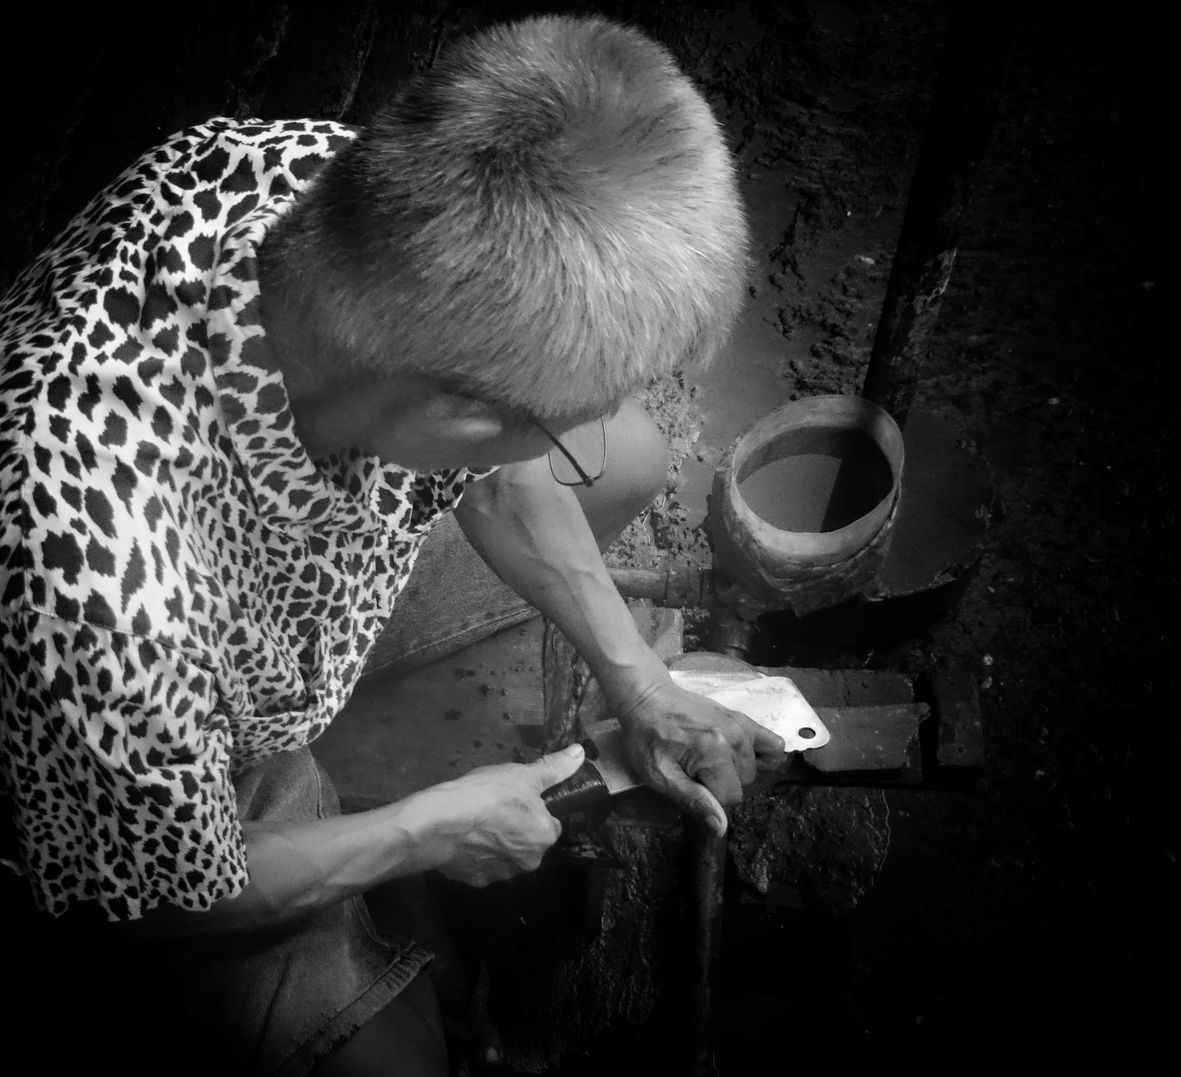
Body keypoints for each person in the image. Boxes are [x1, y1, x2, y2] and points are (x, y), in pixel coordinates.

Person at [0, 13, 783, 1075]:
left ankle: (354, 743)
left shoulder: (334, 189)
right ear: (451, 414)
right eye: (544, 417)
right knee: (395, 1062)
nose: (560, 441)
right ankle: (342, 811)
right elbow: (147, 903)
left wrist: (633, 676)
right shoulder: (89, 580)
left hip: (276, 616)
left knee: (628, 453)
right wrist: (424, 832)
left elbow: (494, 461)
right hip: (145, 767)